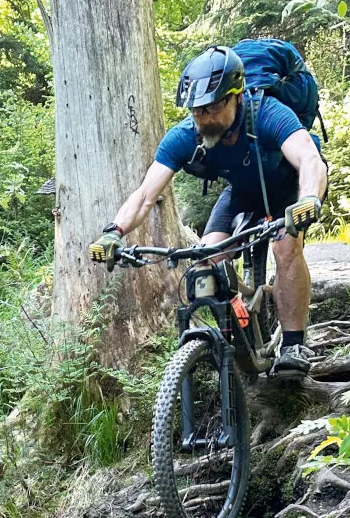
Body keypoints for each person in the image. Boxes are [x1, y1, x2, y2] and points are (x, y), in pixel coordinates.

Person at [89, 45, 329, 379]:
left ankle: (293, 344)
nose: (204, 117)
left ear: (237, 97)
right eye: (197, 110)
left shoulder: (266, 112)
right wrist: (114, 231)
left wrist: (308, 199)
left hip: (289, 186)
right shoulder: (185, 136)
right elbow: (144, 195)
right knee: (205, 258)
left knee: (285, 247)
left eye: (213, 107)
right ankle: (230, 339)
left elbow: (308, 158)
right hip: (242, 192)